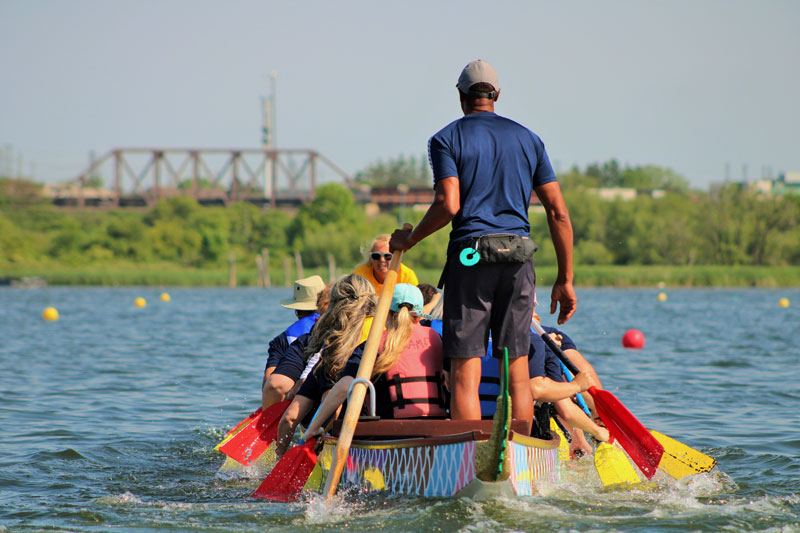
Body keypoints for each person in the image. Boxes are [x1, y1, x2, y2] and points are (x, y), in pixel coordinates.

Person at [390, 59, 577, 422]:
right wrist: (565, 280)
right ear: (497, 95)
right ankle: (521, 446)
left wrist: (409, 240)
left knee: (465, 370)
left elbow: (448, 204)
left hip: (471, 257)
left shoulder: (446, 139)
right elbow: (559, 213)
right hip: (519, 258)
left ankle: (471, 448)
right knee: (517, 370)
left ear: (460, 95)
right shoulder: (530, 139)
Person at [283, 284, 447, 449]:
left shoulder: (371, 346)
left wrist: (312, 429)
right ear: (419, 317)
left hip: (390, 439)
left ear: (384, 314)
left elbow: (343, 388)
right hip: (437, 433)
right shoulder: (437, 339)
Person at [274, 274, 377, 455]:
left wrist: (281, 457)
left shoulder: (333, 351)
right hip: (385, 433)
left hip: (340, 443)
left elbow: (290, 419)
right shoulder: (386, 333)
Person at [261, 276, 326, 406]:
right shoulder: (342, 328)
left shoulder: (282, 339)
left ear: (297, 310)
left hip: (297, 403)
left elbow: (270, 384)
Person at [354, 234, 419, 294]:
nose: (382, 260)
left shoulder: (407, 276)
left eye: (388, 256)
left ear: (396, 257)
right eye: (376, 256)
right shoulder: (359, 275)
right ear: (370, 257)